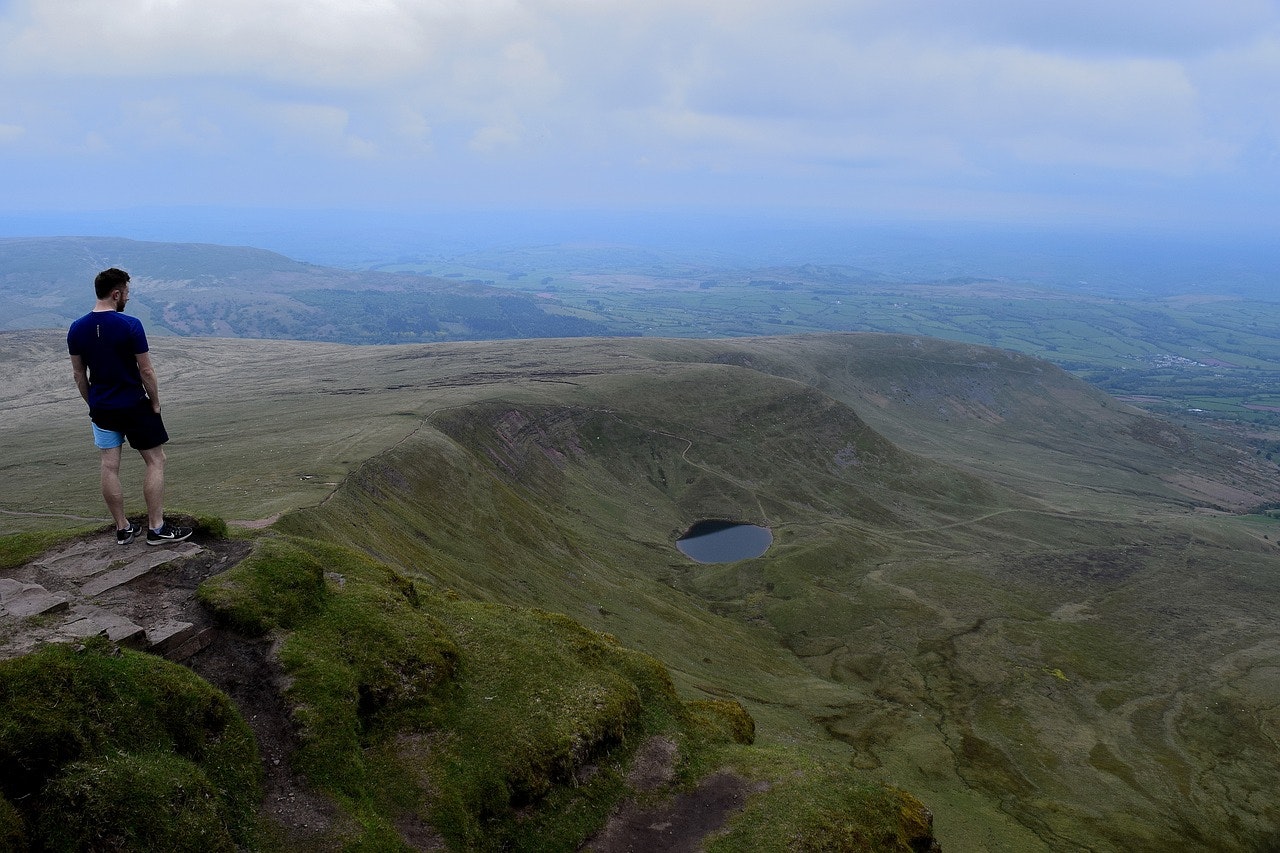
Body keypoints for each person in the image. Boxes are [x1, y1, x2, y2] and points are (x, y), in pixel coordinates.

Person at [67, 268, 192, 546]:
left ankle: (123, 529)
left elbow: (78, 374)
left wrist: (93, 403)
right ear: (116, 294)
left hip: (102, 408)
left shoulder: (76, 328)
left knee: (109, 465)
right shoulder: (130, 325)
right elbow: (146, 370)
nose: (128, 297)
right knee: (156, 460)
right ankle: (156, 528)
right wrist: (155, 402)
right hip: (134, 405)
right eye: (126, 292)